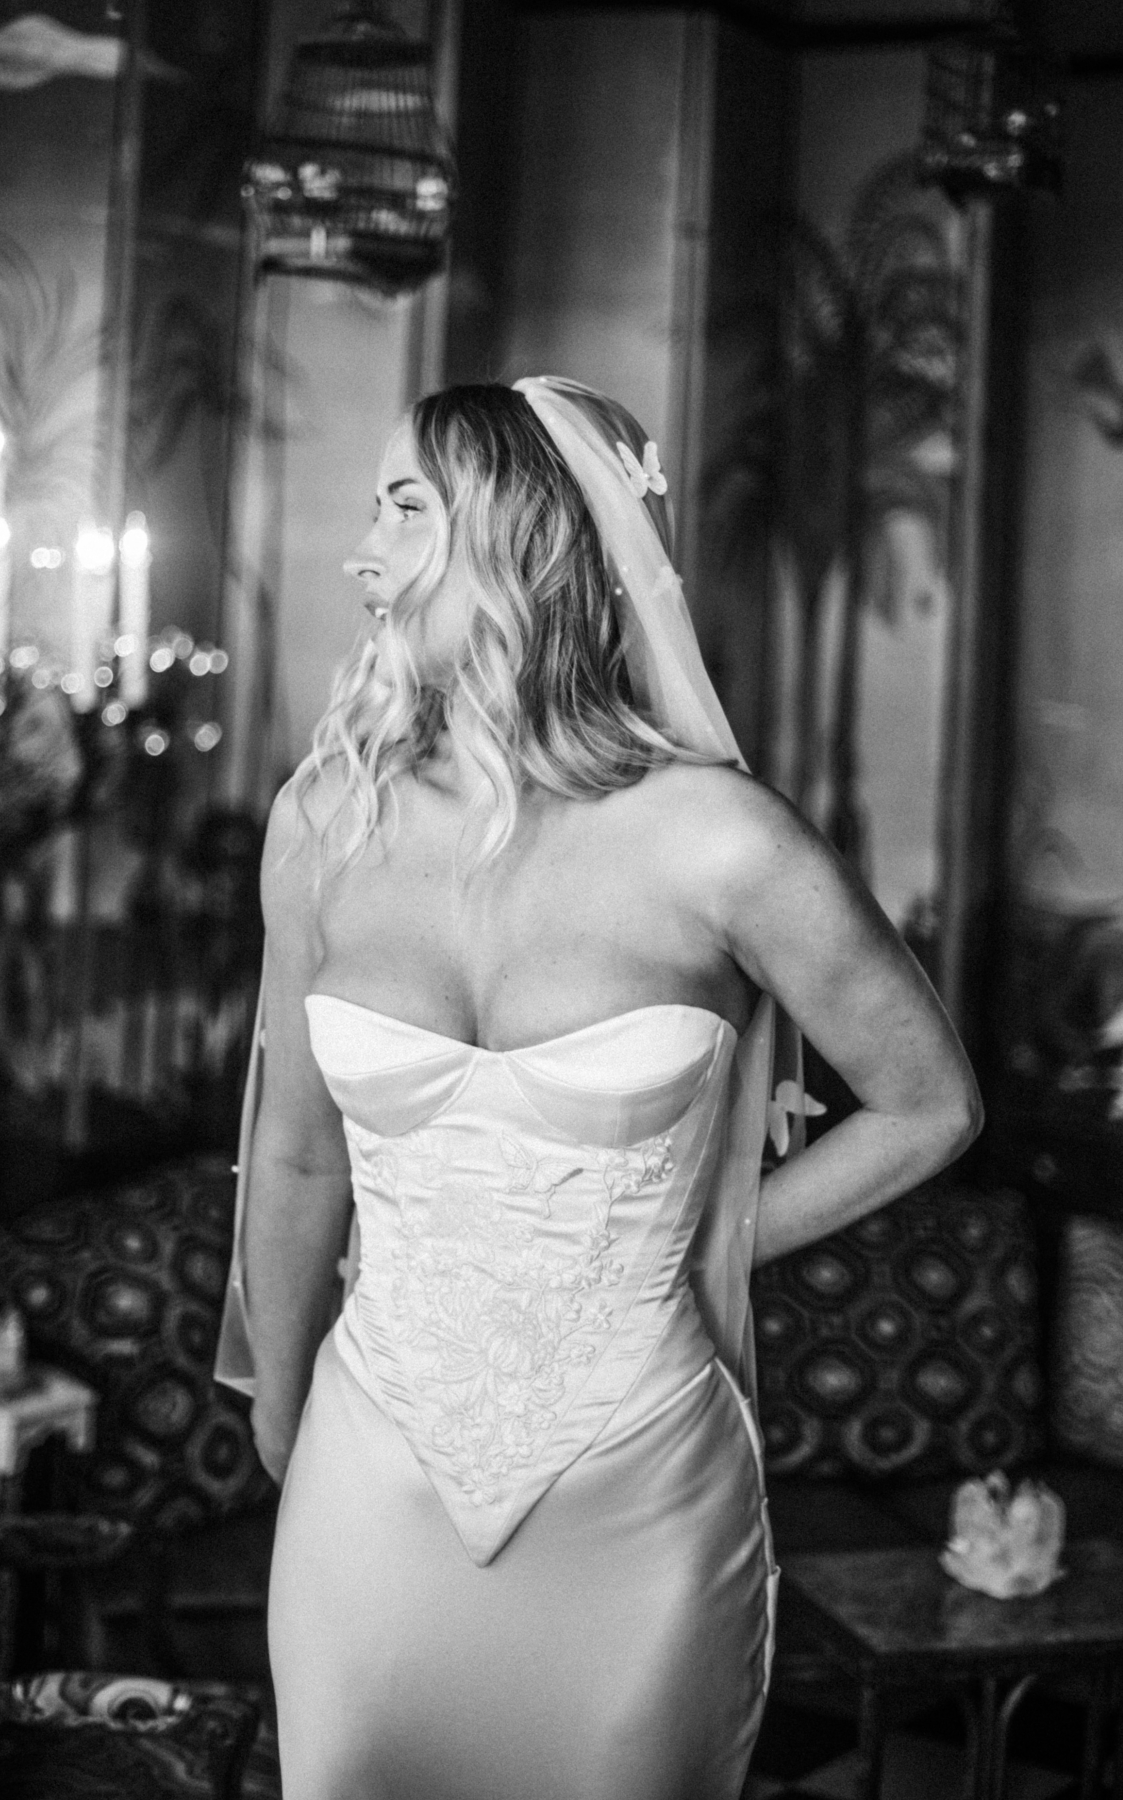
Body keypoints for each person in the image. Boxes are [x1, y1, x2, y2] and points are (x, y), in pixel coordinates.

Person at [215, 378, 981, 1800]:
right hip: (366, 1471)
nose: (362, 553)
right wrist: (279, 1404)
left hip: (642, 1483)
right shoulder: (326, 822)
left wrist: (714, 1240)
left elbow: (931, 1105)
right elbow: (302, 1153)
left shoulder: (722, 842)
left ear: (520, 539)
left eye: (405, 508)